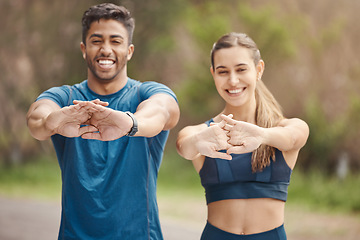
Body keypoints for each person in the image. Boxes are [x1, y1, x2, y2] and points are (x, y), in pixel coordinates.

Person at [26, 3, 180, 240]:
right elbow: (37, 117)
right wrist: (51, 122)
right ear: (83, 49)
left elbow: (162, 111)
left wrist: (129, 123)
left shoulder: (147, 93)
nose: (105, 49)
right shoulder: (65, 98)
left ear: (129, 50)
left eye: (115, 41)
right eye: (96, 41)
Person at [176, 32, 309, 240]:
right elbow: (184, 146)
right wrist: (196, 142)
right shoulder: (203, 133)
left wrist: (262, 135)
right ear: (213, 74)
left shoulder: (287, 127)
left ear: (259, 69)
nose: (233, 80)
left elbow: (294, 138)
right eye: (223, 72)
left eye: (241, 69)